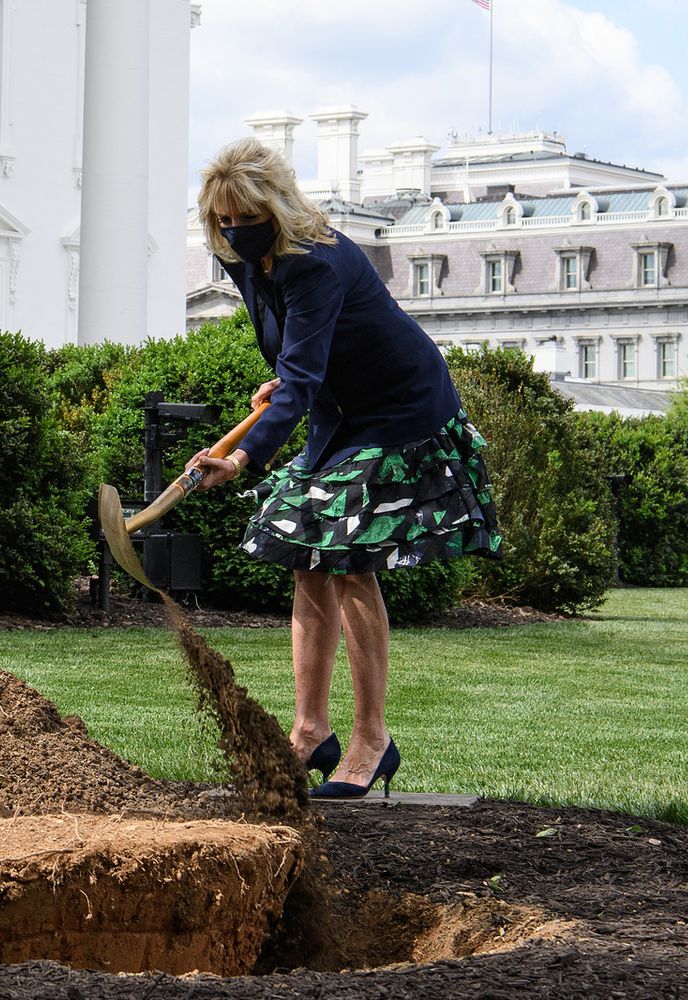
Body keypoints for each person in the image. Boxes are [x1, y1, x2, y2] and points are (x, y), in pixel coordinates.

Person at [187, 137, 502, 799]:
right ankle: (310, 731)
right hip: (341, 411)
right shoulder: (246, 261)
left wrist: (241, 456)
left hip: (399, 408)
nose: (235, 230)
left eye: (248, 217)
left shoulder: (317, 262)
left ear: (277, 206)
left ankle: (371, 739)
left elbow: (303, 370)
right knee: (307, 553)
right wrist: (284, 380)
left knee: (352, 559)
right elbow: (300, 356)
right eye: (224, 220)